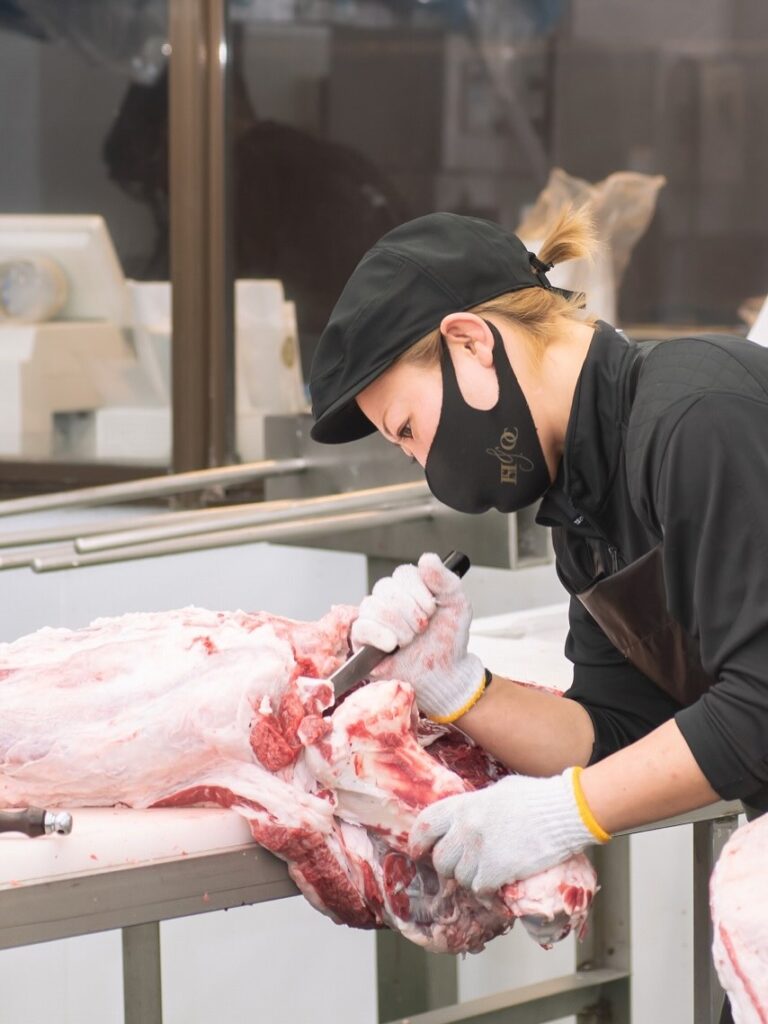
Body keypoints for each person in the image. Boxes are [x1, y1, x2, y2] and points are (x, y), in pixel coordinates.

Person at [308, 207, 768, 1023]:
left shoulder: (697, 418)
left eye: (410, 431)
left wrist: (563, 814)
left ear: (470, 343)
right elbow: (616, 731)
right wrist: (456, 689)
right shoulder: (585, 511)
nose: (427, 468)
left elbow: (761, 705)